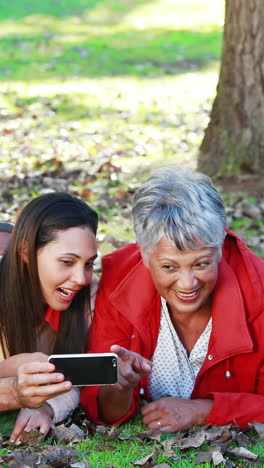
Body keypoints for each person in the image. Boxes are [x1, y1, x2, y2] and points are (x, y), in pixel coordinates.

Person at [81, 166, 264, 432]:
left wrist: (204, 411)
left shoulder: (257, 289)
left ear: (220, 244)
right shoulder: (119, 279)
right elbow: (103, 408)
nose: (187, 283)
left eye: (201, 263)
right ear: (144, 254)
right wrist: (118, 386)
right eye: (169, 267)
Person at [0, 192, 98, 442]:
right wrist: (13, 391)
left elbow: (80, 378)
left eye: (89, 264)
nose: (81, 278)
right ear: (25, 253)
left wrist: (48, 405)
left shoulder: (89, 294)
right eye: (67, 261)